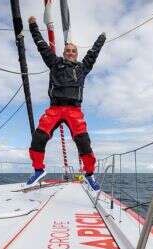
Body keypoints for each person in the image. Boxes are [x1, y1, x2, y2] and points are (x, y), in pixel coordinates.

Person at [26, 16, 106, 191]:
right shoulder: (55, 64)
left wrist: (101, 40)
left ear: (77, 54)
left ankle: (89, 174)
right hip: (55, 109)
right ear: (64, 53)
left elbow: (93, 53)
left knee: (84, 143)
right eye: (67, 50)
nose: (70, 52)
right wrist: (33, 27)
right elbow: (41, 46)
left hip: (74, 111)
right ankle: (38, 170)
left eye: (73, 51)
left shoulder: (82, 68)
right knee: (38, 138)